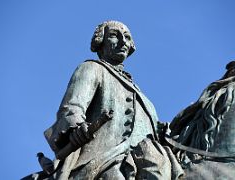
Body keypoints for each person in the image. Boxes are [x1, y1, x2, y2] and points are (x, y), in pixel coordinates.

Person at [42, 21, 183, 180]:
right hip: (105, 159)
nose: (123, 42)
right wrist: (77, 128)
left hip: (148, 161)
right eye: (115, 35)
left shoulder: (144, 98)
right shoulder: (92, 68)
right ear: (100, 41)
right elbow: (72, 107)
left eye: (127, 37)